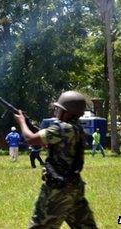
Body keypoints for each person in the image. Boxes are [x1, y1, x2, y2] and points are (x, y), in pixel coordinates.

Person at [13, 91, 97, 228]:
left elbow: (31, 139)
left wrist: (22, 122)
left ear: (68, 112)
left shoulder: (61, 128)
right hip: (74, 187)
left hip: (57, 190)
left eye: (59, 108)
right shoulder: (77, 129)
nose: (56, 111)